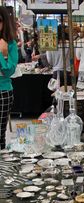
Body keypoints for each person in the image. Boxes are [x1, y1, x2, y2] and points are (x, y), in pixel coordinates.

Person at [0, 6, 18, 149]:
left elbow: (8, 71)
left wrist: (3, 54)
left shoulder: (10, 43)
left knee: (0, 134)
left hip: (3, 91)